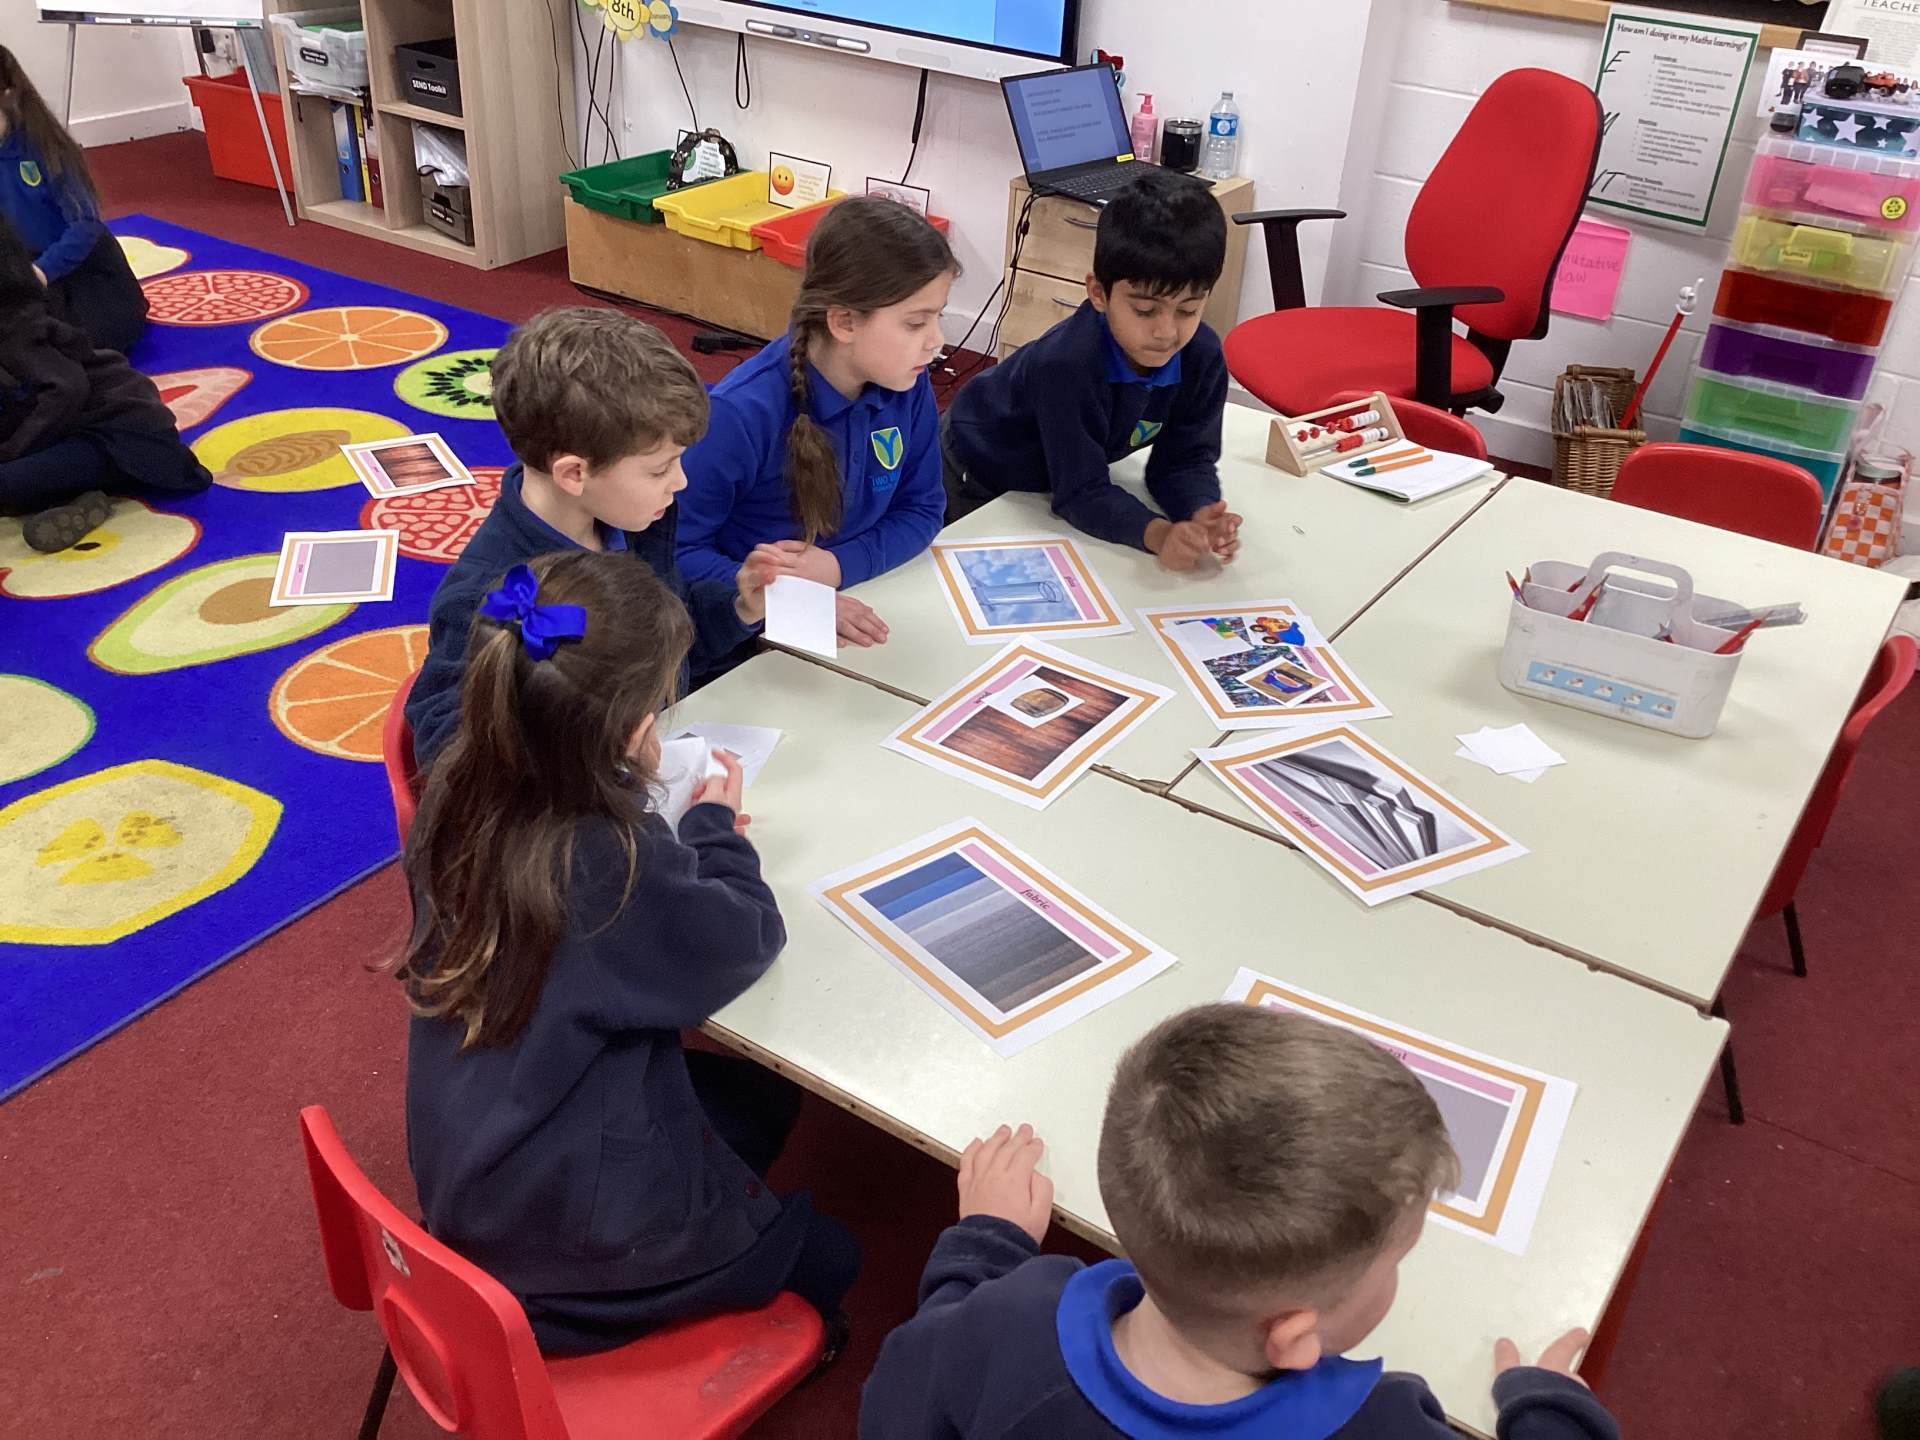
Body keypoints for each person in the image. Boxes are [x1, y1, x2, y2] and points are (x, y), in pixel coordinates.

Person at [397, 549, 860, 1357]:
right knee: (834, 1257)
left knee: (756, 1103)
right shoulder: (607, 859)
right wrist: (714, 828)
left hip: (478, 1160)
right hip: (562, 1234)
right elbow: (744, 938)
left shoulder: (456, 786)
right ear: (635, 729)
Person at [860, 1004, 1621, 1439]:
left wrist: (986, 1243)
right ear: (1293, 1339)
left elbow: (893, 1410)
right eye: (1395, 1261)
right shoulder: (1382, 1426)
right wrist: (1548, 1409)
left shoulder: (1014, 1313)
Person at [405, 306, 790, 770]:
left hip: (657, 763)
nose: (681, 481)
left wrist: (738, 607)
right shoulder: (488, 596)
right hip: (580, 800)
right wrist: (593, 754)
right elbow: (447, 751)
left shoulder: (636, 523)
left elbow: (667, 647)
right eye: (660, 469)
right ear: (574, 474)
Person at [677, 197, 956, 652]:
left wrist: (838, 567)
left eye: (938, 316)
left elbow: (923, 508)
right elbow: (673, 554)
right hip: (748, 635)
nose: (936, 341)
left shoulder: (907, 383)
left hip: (862, 597)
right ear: (844, 322)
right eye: (915, 323)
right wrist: (795, 599)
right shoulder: (740, 414)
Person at [941, 169, 1241, 573]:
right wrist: (1158, 534)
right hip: (975, 465)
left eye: (1188, 309)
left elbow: (1184, 461)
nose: (1167, 332)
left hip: (1052, 476)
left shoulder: (1200, 355)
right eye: (1145, 310)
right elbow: (1081, 492)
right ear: (1098, 293)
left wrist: (1200, 512)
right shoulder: (1066, 365)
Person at [0, 216, 207, 551]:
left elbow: (66, 390)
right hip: (65, 426)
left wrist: (13, 451)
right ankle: (78, 498)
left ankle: (96, 483)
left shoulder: (16, 326)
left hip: (119, 436)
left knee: (7, 480)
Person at [0, 45, 148, 354]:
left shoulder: (45, 147)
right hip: (24, 266)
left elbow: (85, 224)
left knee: (68, 344)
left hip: (80, 268)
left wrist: (42, 271)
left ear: (8, 96)